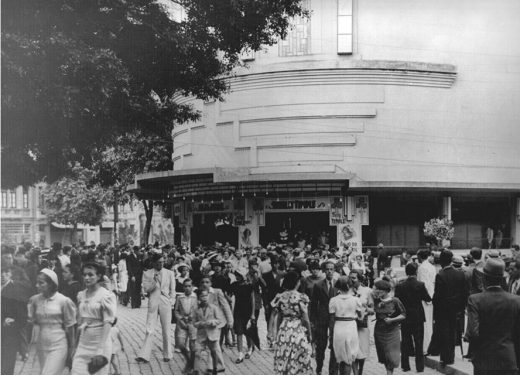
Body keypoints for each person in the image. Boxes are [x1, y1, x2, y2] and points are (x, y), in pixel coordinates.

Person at [466, 258, 520, 375]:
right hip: (508, 359)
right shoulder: (516, 301)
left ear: (484, 278)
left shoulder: (475, 300)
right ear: (502, 279)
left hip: (484, 360)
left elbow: (473, 333)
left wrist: (476, 355)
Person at [29, 268, 77, 375]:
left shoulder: (63, 301)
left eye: (41, 283)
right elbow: (33, 322)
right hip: (42, 345)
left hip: (59, 345)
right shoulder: (34, 300)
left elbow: (70, 326)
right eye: (36, 282)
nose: (37, 285)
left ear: (51, 284)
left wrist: (72, 349)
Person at [71, 262, 117, 375]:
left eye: (91, 275)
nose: (86, 277)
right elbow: (79, 322)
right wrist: (75, 346)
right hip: (83, 343)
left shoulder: (106, 296)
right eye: (84, 274)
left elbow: (108, 322)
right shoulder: (81, 295)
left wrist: (100, 349)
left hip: (99, 343)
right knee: (76, 371)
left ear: (99, 276)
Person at [272, 271, 314, 375]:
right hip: (296, 329)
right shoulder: (301, 297)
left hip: (284, 329)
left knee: (284, 356)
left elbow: (278, 317)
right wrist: (309, 334)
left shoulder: (281, 297)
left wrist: (277, 332)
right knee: (298, 357)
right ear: (297, 282)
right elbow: (305, 318)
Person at [137, 253, 176, 363]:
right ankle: (144, 355)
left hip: (165, 302)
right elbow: (146, 289)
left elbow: (173, 289)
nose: (161, 264)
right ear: (153, 263)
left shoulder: (170, 273)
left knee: (166, 329)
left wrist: (171, 301)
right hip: (153, 302)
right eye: (159, 262)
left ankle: (167, 354)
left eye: (163, 262)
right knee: (149, 329)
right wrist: (154, 281)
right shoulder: (147, 273)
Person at [432, 250, 468, 366]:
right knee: (453, 332)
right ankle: (451, 356)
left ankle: (446, 357)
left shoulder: (440, 275)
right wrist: (461, 308)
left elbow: (437, 296)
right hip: (456, 308)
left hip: (443, 309)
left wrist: (435, 311)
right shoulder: (460, 273)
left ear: (441, 261)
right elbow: (464, 293)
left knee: (444, 332)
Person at [395, 263, 432, 372]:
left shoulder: (400, 286)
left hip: (405, 316)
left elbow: (396, 302)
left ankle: (405, 366)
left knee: (405, 341)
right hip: (418, 316)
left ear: (406, 272)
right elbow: (428, 298)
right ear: (416, 272)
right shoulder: (420, 285)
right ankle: (420, 367)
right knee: (419, 342)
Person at [198, 276, 233, 372]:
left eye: (207, 282)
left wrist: (230, 321)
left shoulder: (217, 292)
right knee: (211, 344)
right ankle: (217, 365)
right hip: (206, 323)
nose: (205, 284)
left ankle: (214, 366)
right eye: (203, 282)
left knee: (214, 344)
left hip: (216, 323)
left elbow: (225, 306)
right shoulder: (200, 293)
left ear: (211, 283)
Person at [329, 276, 362, 375]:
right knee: (349, 357)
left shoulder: (333, 300)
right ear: (350, 286)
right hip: (351, 326)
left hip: (338, 327)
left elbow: (331, 319)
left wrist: (331, 333)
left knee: (339, 357)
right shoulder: (355, 300)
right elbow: (360, 316)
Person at [373, 278, 406, 375]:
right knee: (384, 355)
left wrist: (392, 320)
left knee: (392, 356)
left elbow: (403, 314)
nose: (377, 291)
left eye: (379, 289)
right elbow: (370, 294)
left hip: (392, 331)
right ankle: (389, 373)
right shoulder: (376, 300)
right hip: (379, 330)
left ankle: (389, 372)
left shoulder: (395, 301)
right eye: (376, 289)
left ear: (386, 290)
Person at [310, 261, 339, 375]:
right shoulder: (318, 285)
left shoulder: (337, 284)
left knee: (334, 344)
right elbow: (314, 303)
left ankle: (333, 370)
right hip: (321, 318)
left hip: (334, 318)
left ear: (334, 270)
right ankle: (319, 367)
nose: (330, 271)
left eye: (332, 269)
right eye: (327, 269)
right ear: (324, 271)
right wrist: (313, 320)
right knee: (321, 345)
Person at [2, 266, 29, 375]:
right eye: (0, 272)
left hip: (8, 335)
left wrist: (11, 322)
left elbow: (23, 317)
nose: (2, 275)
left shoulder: (16, 290)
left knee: (6, 368)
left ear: (10, 273)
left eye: (5, 272)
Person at [192, 288, 226, 375]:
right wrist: (200, 323)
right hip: (201, 334)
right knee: (197, 352)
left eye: (206, 295)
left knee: (214, 352)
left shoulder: (213, 307)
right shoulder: (196, 309)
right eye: (202, 296)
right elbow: (194, 323)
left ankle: (215, 369)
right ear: (198, 298)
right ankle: (196, 370)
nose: (204, 298)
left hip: (212, 334)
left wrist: (212, 322)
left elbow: (219, 320)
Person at [348, 270, 374, 375]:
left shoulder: (367, 291)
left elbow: (372, 310)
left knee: (362, 351)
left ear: (359, 279)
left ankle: (360, 371)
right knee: (353, 351)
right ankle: (355, 372)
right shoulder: (347, 291)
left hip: (362, 325)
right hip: (350, 325)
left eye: (353, 278)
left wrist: (364, 310)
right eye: (350, 277)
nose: (351, 280)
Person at [229, 268, 256, 363]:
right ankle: (240, 353)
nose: (237, 277)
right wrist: (228, 298)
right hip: (238, 311)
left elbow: (253, 300)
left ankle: (250, 348)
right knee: (239, 332)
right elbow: (229, 294)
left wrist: (252, 314)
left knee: (247, 332)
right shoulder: (234, 285)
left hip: (247, 311)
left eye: (239, 275)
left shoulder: (249, 286)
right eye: (236, 275)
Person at [174, 278, 198, 373]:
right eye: (185, 286)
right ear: (183, 287)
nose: (187, 288)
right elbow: (176, 311)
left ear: (192, 287)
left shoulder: (195, 297)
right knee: (180, 344)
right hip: (182, 323)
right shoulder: (180, 297)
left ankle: (191, 365)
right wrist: (181, 320)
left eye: (189, 286)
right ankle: (189, 361)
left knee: (193, 346)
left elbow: (198, 310)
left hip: (192, 323)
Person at [416, 249, 435, 353]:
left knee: (424, 323)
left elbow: (423, 284)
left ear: (420, 257)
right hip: (430, 296)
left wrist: (425, 297)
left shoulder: (422, 268)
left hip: (424, 298)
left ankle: (425, 347)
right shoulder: (431, 267)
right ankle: (429, 345)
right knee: (429, 322)